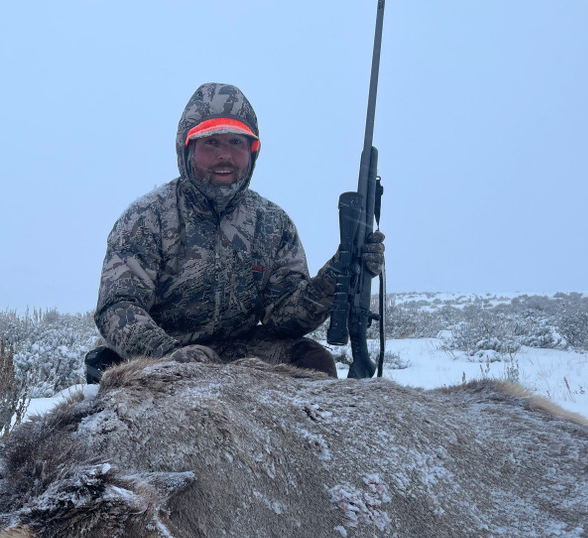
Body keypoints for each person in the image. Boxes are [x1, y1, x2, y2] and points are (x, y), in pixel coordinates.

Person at [87, 82, 385, 383]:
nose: (224, 155)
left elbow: (283, 317)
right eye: (211, 143)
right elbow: (118, 306)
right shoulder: (147, 217)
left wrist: (335, 277)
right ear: (186, 149)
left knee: (312, 360)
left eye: (235, 143)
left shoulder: (272, 223)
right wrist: (169, 355)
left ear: (252, 151)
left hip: (237, 352)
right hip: (158, 353)